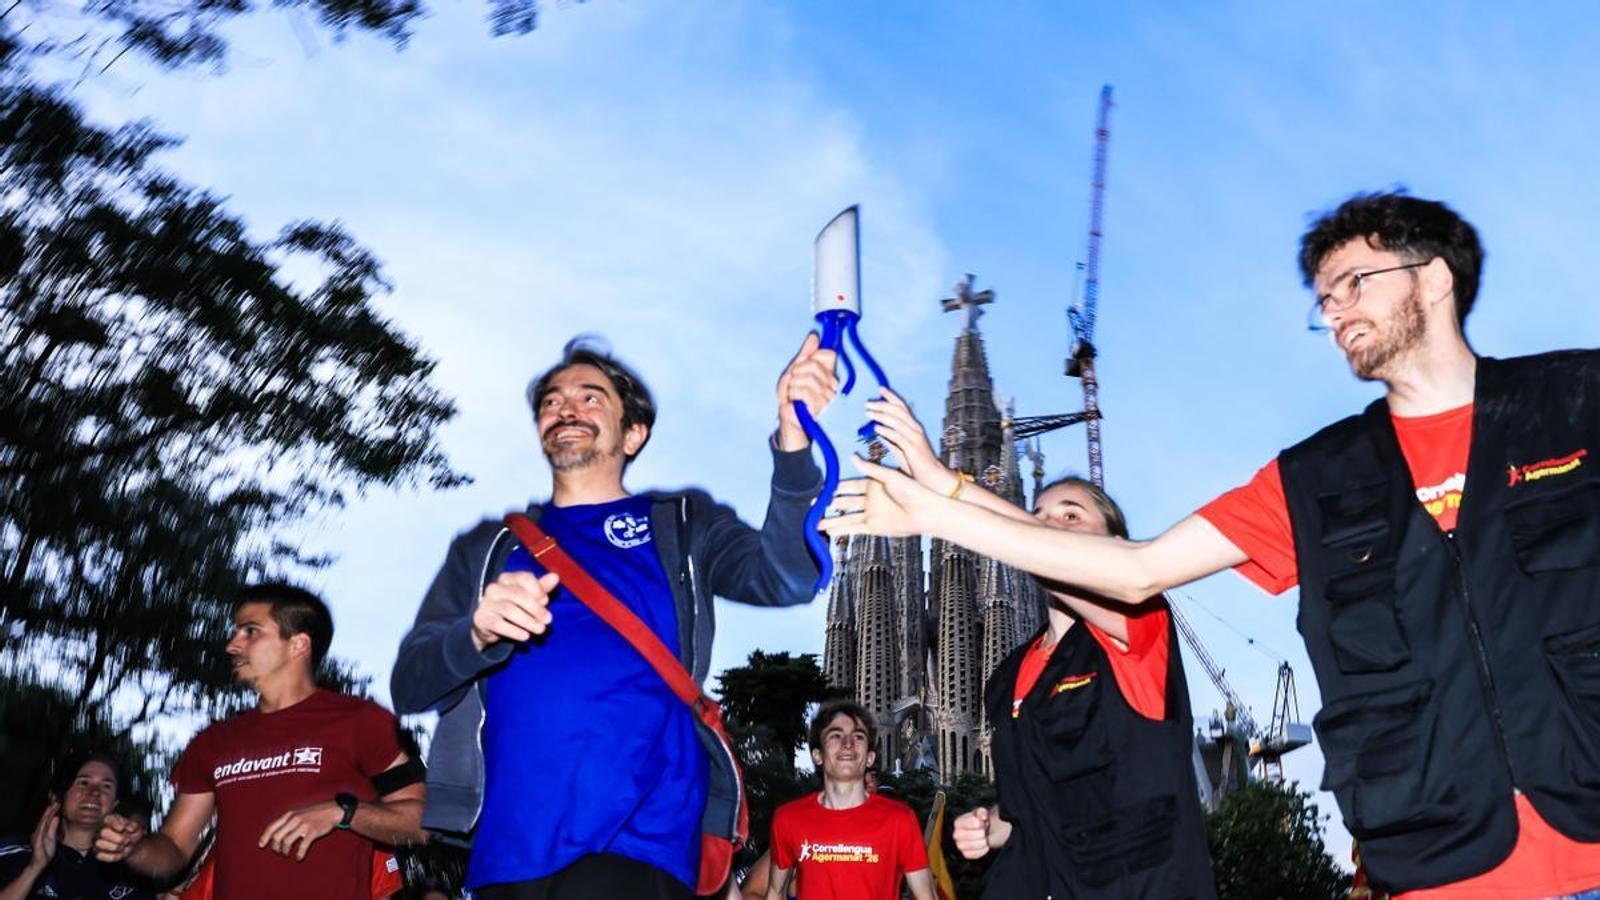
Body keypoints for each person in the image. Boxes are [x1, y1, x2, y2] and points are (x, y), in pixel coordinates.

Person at [825, 191, 1600, 897]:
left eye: (1354, 283)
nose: (1333, 311)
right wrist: (940, 499)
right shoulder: (1317, 477)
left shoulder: (1573, 404)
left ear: (1432, 278)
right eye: (1323, 299)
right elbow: (1141, 568)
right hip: (1447, 870)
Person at [390, 334, 838, 898]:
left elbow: (788, 576)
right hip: (508, 851)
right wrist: (475, 633)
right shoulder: (484, 548)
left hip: (641, 840)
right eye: (551, 401)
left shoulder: (681, 524)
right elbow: (409, 686)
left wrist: (793, 444)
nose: (565, 408)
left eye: (591, 397)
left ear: (634, 433)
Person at [94, 583, 428, 899]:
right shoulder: (213, 742)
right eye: (236, 632)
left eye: (250, 631)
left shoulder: (363, 721)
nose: (232, 645)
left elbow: (423, 822)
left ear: (298, 644)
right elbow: (174, 849)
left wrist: (344, 814)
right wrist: (134, 848)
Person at [765, 701, 934, 900]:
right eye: (836, 735)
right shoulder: (788, 819)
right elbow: (775, 892)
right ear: (817, 755)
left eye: (858, 736)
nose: (848, 744)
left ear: (870, 757)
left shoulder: (900, 820)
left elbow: (927, 896)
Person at [0, 751, 155, 900]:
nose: (94, 792)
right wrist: (33, 868)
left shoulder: (134, 868)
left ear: (115, 804)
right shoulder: (12, 853)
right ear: (56, 796)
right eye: (83, 782)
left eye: (106, 786)